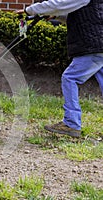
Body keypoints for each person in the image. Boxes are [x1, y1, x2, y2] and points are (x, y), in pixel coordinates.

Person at [16, 0, 103, 137]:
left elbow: (59, 4)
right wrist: (57, 17)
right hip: (99, 44)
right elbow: (82, 14)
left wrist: (31, 10)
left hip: (93, 46)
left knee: (70, 78)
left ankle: (71, 123)